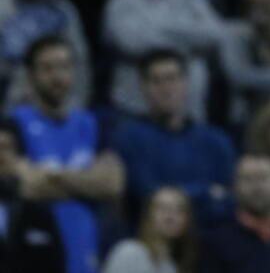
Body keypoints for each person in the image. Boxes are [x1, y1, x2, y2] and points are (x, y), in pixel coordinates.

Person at [9, 35, 125, 273]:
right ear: (31, 76)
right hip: (36, 248)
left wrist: (52, 175)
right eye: (47, 68)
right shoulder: (15, 123)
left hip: (86, 244)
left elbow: (113, 184)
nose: (57, 76)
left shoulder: (90, 123)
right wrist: (87, 181)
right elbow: (27, 186)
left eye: (64, 66)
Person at [103, 0, 226, 120]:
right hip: (135, 109)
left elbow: (215, 34)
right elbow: (132, 41)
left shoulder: (191, 0)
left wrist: (157, 31)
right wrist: (188, 40)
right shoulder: (121, 2)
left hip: (190, 110)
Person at [111, 50, 236, 225]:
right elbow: (151, 196)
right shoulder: (129, 138)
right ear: (143, 87)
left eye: (172, 79)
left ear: (185, 83)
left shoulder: (216, 140)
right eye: (156, 81)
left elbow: (229, 200)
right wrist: (206, 192)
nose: (166, 88)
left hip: (212, 238)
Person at [0, 0, 91, 108]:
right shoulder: (2, 8)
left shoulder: (63, 9)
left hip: (56, 101)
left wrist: (77, 105)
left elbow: (80, 62)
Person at [201, 153, 270, 272]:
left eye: (264, 178)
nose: (257, 187)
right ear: (234, 186)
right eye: (248, 179)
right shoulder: (217, 242)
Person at [0, 116, 65, 270]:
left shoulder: (39, 213)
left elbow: (56, 264)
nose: (0, 155)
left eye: (6, 147)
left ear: (19, 157)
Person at [101, 185, 197, 273]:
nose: (170, 216)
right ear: (148, 215)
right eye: (163, 208)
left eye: (179, 209)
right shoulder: (129, 252)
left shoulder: (171, 266)